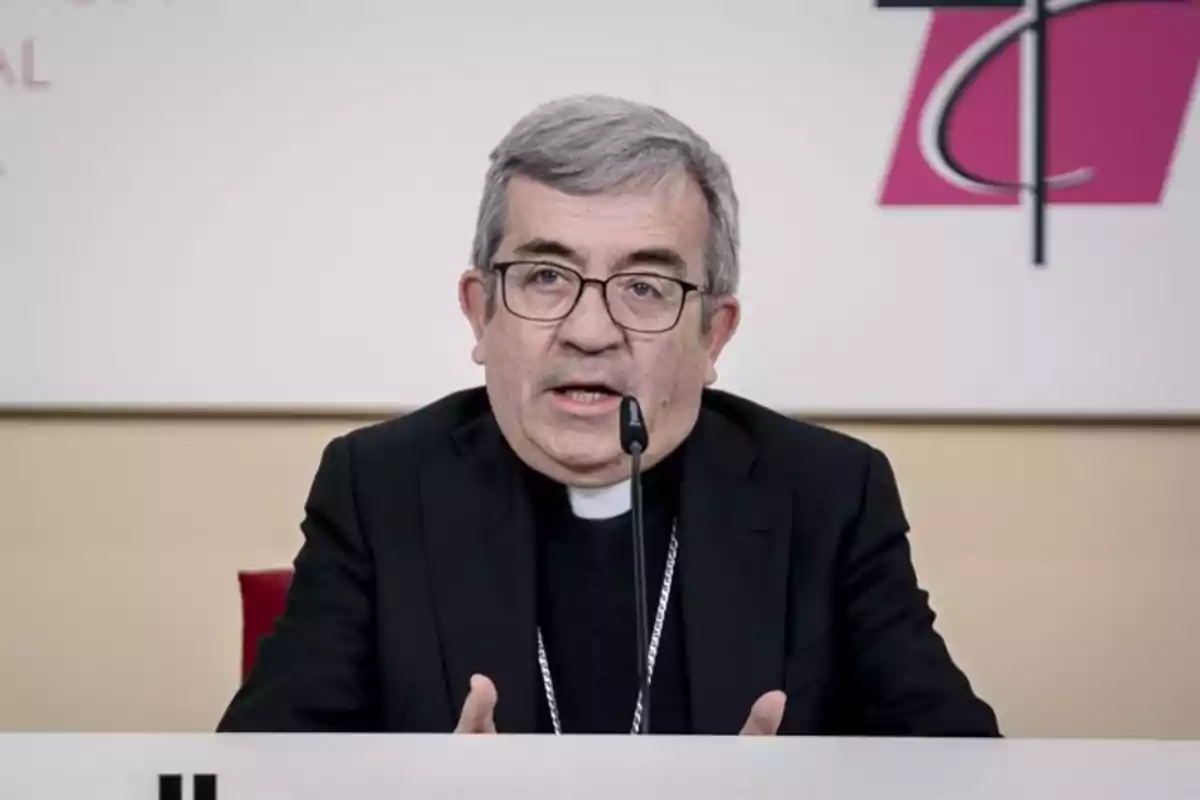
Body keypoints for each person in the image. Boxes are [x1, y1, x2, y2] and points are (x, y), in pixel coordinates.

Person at [217, 95, 1000, 737]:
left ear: (713, 335)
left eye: (646, 288)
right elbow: (261, 772)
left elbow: (963, 771)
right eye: (546, 277)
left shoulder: (829, 495)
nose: (590, 332)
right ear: (479, 313)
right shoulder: (380, 487)